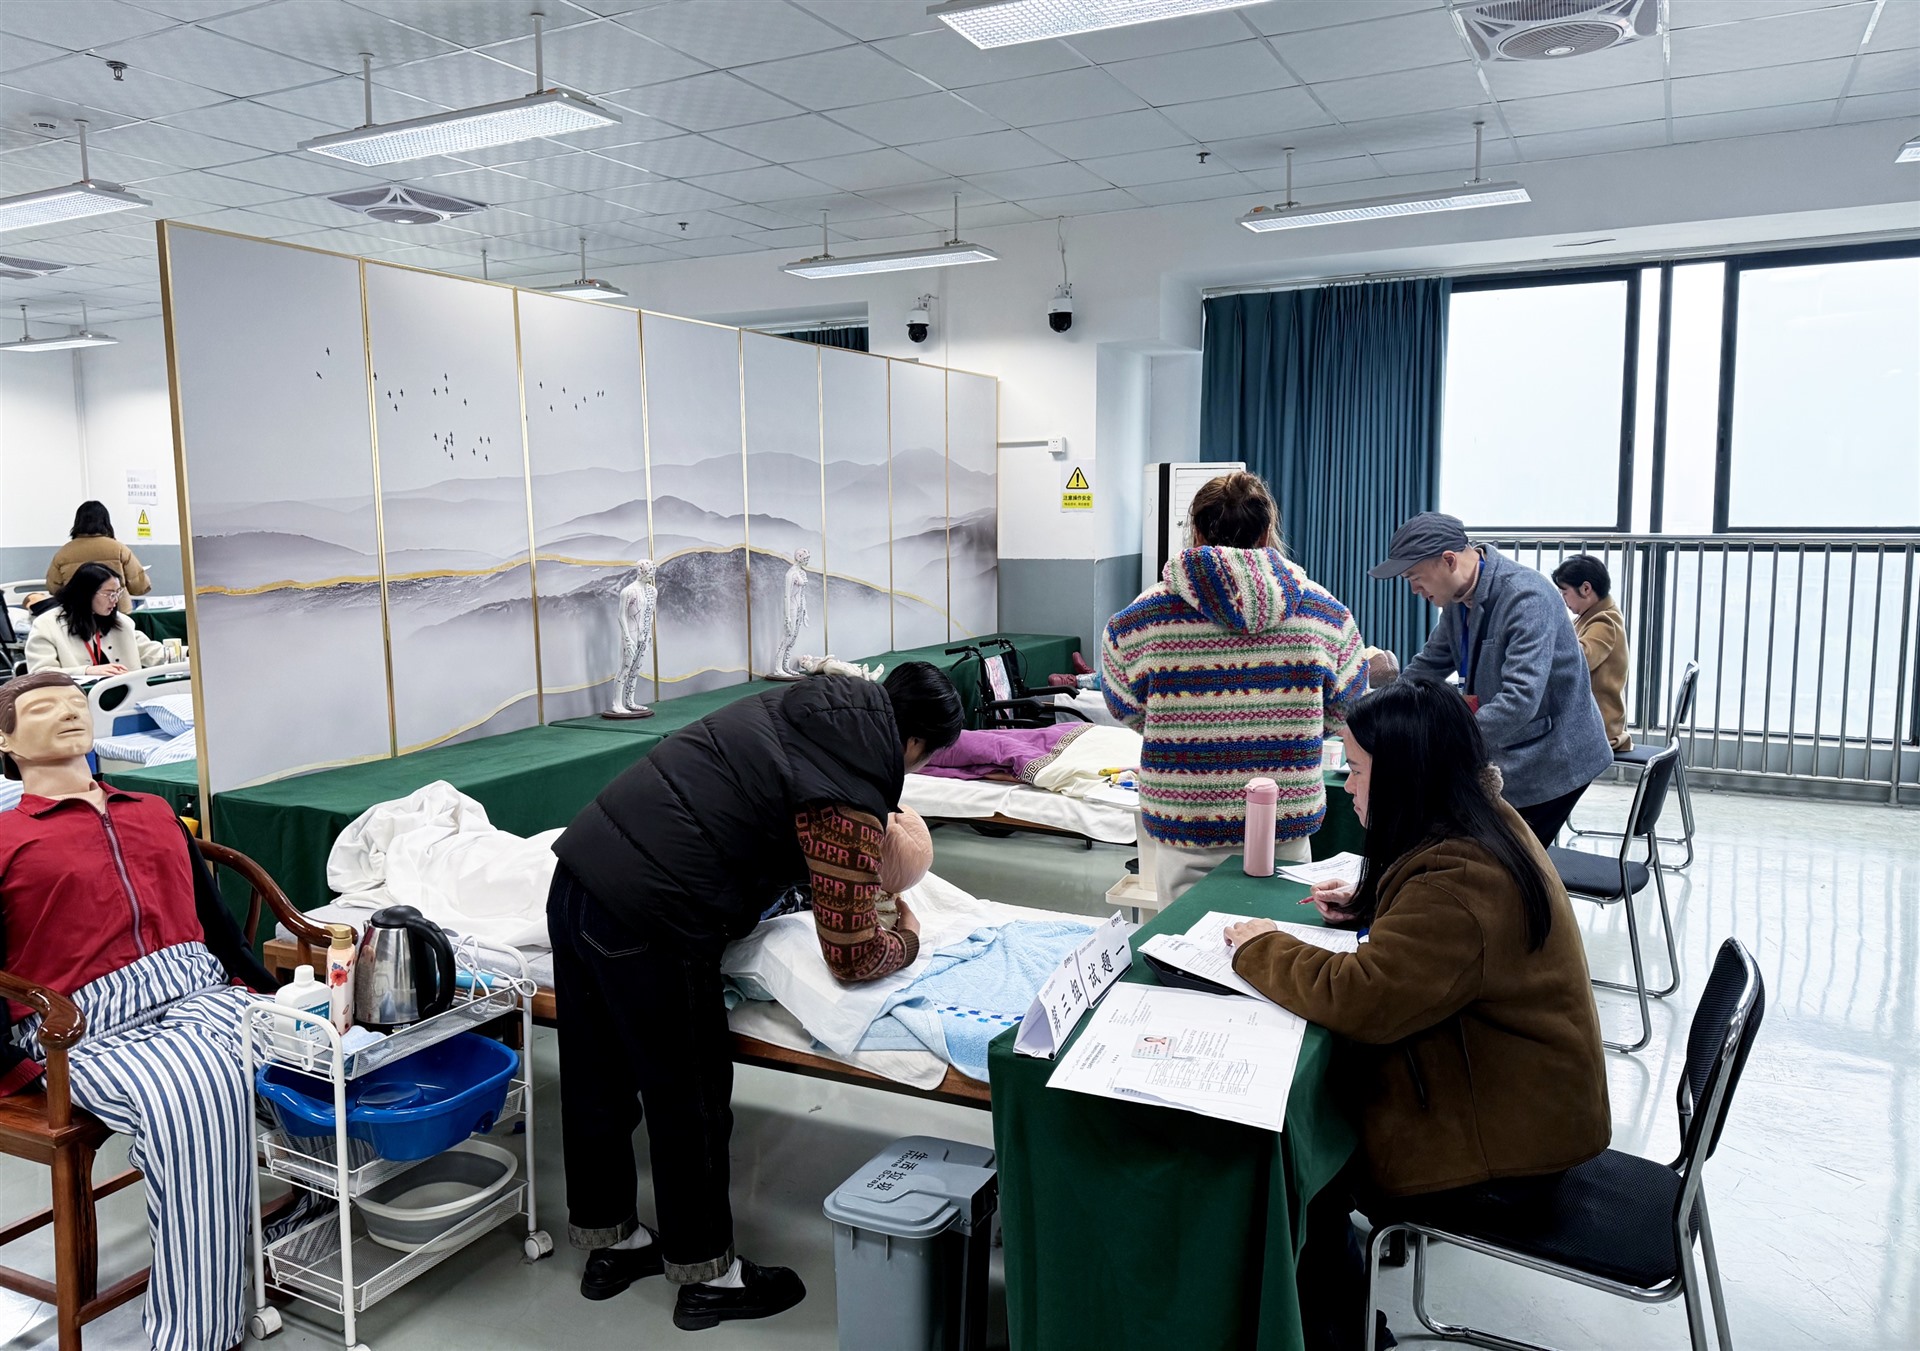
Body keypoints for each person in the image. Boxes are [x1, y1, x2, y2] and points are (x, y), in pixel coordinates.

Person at [544, 662, 964, 1332]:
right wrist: (908, 936)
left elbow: (744, 812)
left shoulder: (798, 706)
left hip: (578, 874)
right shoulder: (848, 792)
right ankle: (709, 1279)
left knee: (596, 1080)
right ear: (915, 743)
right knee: (689, 1100)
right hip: (651, 915)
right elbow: (853, 956)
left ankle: (611, 1246)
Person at [1223, 679, 1610, 1351]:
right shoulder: (1481, 819)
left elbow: (1360, 997)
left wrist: (1261, 947)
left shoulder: (1462, 881)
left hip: (1507, 1157)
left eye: (1357, 769)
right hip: (1520, 1105)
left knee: (1307, 1156)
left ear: (1405, 774)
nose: (1347, 785)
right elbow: (1435, 942)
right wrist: (1371, 905)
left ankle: (1339, 1329)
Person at [0, 671, 276, 1351]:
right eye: (43, 707)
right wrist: (12, 1064)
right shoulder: (5, 838)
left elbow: (217, 923)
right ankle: (196, 1330)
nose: (69, 713)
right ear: (6, 742)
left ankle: (297, 1243)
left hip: (199, 986)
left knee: (313, 1052)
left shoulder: (152, 811)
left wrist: (268, 990)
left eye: (76, 703)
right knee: (193, 1098)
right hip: (84, 1024)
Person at [1101, 472, 1368, 908]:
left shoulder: (1138, 621)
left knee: (1183, 941)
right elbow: (1347, 708)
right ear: (1267, 532)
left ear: (1196, 531)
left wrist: (1182, 727)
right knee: (1278, 938)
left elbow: (1125, 707)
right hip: (1285, 818)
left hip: (1185, 821)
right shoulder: (1325, 613)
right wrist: (1291, 725)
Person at [1372, 512, 1612, 846]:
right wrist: (1376, 714)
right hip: (1511, 749)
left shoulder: (1526, 598)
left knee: (1505, 862)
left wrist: (1443, 740)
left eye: (1415, 577)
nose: (1413, 589)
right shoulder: (1457, 601)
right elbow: (1426, 667)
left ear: (1449, 560)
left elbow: (1519, 700)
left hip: (1553, 757)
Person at [24, 562, 167, 677]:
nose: (115, 600)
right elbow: (40, 674)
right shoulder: (46, 625)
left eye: (118, 593)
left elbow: (151, 652)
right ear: (86, 594)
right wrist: (86, 671)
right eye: (109, 594)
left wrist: (179, 653)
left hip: (126, 696)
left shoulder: (122, 622)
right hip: (75, 699)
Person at [1553, 553, 1632, 752]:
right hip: (1591, 721)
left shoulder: (1605, 622)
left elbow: (1580, 658)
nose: (1563, 600)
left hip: (1599, 728)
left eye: (1564, 593)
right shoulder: (1591, 615)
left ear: (1586, 589)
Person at [46, 500, 150, 612]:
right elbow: (140, 586)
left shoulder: (63, 553)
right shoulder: (119, 549)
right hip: (116, 613)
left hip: (78, 613)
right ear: (106, 522)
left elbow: (54, 588)